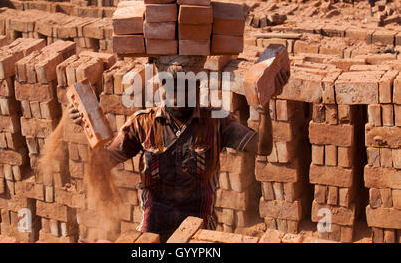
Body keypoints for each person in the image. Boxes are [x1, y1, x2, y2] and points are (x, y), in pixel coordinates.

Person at [69, 56, 290, 242]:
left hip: (200, 229)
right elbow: (102, 164)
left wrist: (264, 108)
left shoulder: (216, 121)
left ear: (196, 86)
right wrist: (87, 126)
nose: (177, 93)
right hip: (153, 228)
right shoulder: (143, 123)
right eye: (170, 85)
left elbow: (263, 147)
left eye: (185, 85)